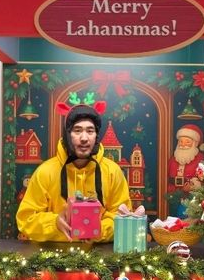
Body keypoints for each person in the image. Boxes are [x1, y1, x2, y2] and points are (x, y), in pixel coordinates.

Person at [16, 99, 131, 241]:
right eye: (77, 131)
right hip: (53, 256)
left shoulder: (113, 172)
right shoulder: (45, 172)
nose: (84, 138)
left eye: (90, 131)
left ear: (96, 136)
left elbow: (122, 215)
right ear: (67, 135)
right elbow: (25, 219)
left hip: (100, 255)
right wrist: (54, 223)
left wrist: (100, 230)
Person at [167, 124, 204, 193]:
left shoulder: (200, 159)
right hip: (173, 195)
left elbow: (203, 177)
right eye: (181, 141)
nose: (183, 145)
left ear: (195, 143)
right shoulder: (172, 160)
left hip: (192, 198)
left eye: (187, 142)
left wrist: (192, 186)